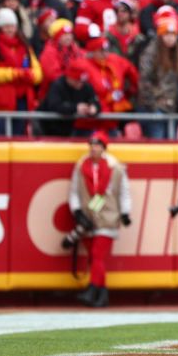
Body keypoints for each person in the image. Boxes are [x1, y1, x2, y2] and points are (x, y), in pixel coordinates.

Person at [68, 132, 131, 308]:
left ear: (104, 148)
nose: (94, 149)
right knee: (96, 258)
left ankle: (93, 288)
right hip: (89, 216)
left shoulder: (115, 167)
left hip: (108, 215)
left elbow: (123, 191)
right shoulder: (82, 166)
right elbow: (74, 190)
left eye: (97, 145)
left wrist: (125, 212)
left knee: (97, 254)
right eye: (92, 145)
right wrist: (77, 211)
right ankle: (102, 294)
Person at [0, 7, 42, 136]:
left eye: (12, 26)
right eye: (6, 26)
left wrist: (29, 75)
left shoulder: (24, 46)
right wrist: (13, 74)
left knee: (19, 136)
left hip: (22, 101)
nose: (10, 29)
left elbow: (38, 73)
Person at [136, 13, 178, 139]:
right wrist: (154, 103)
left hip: (174, 106)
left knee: (172, 141)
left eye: (173, 35)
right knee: (157, 138)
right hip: (155, 107)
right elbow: (144, 81)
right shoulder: (150, 53)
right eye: (167, 34)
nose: (170, 38)